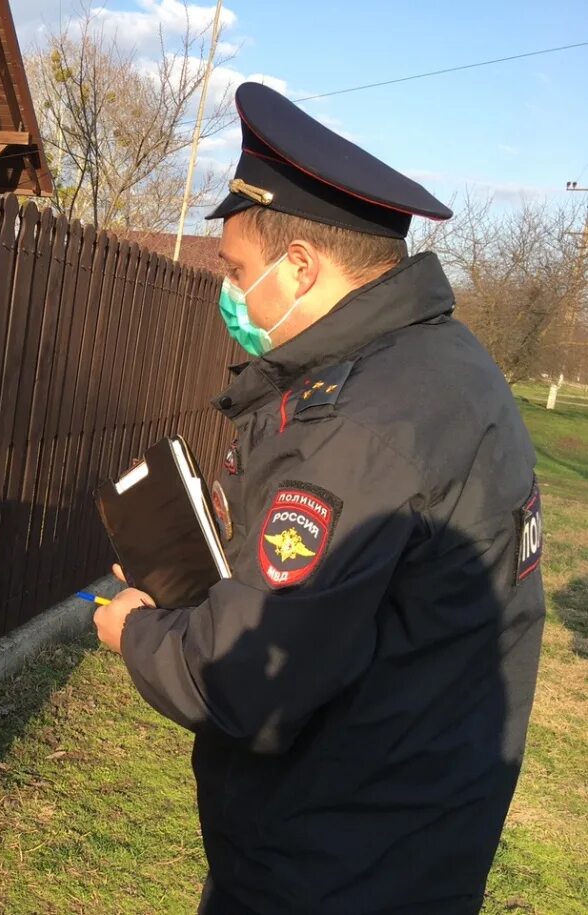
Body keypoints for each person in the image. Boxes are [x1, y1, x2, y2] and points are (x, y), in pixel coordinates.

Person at [93, 83, 545, 914]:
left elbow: (249, 684)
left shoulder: (361, 422)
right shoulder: (445, 363)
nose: (226, 291)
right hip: (408, 839)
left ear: (298, 265)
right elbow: (367, 585)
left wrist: (138, 629)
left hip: (332, 867)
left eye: (234, 270)